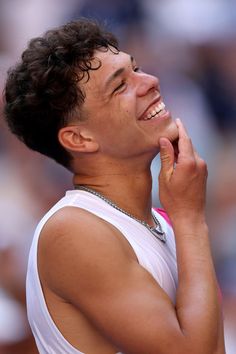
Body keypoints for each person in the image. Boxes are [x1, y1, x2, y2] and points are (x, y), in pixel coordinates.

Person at [3, 18, 225, 354]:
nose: (150, 81)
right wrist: (191, 218)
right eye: (120, 86)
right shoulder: (73, 231)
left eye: (136, 69)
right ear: (79, 138)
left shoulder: (159, 220)